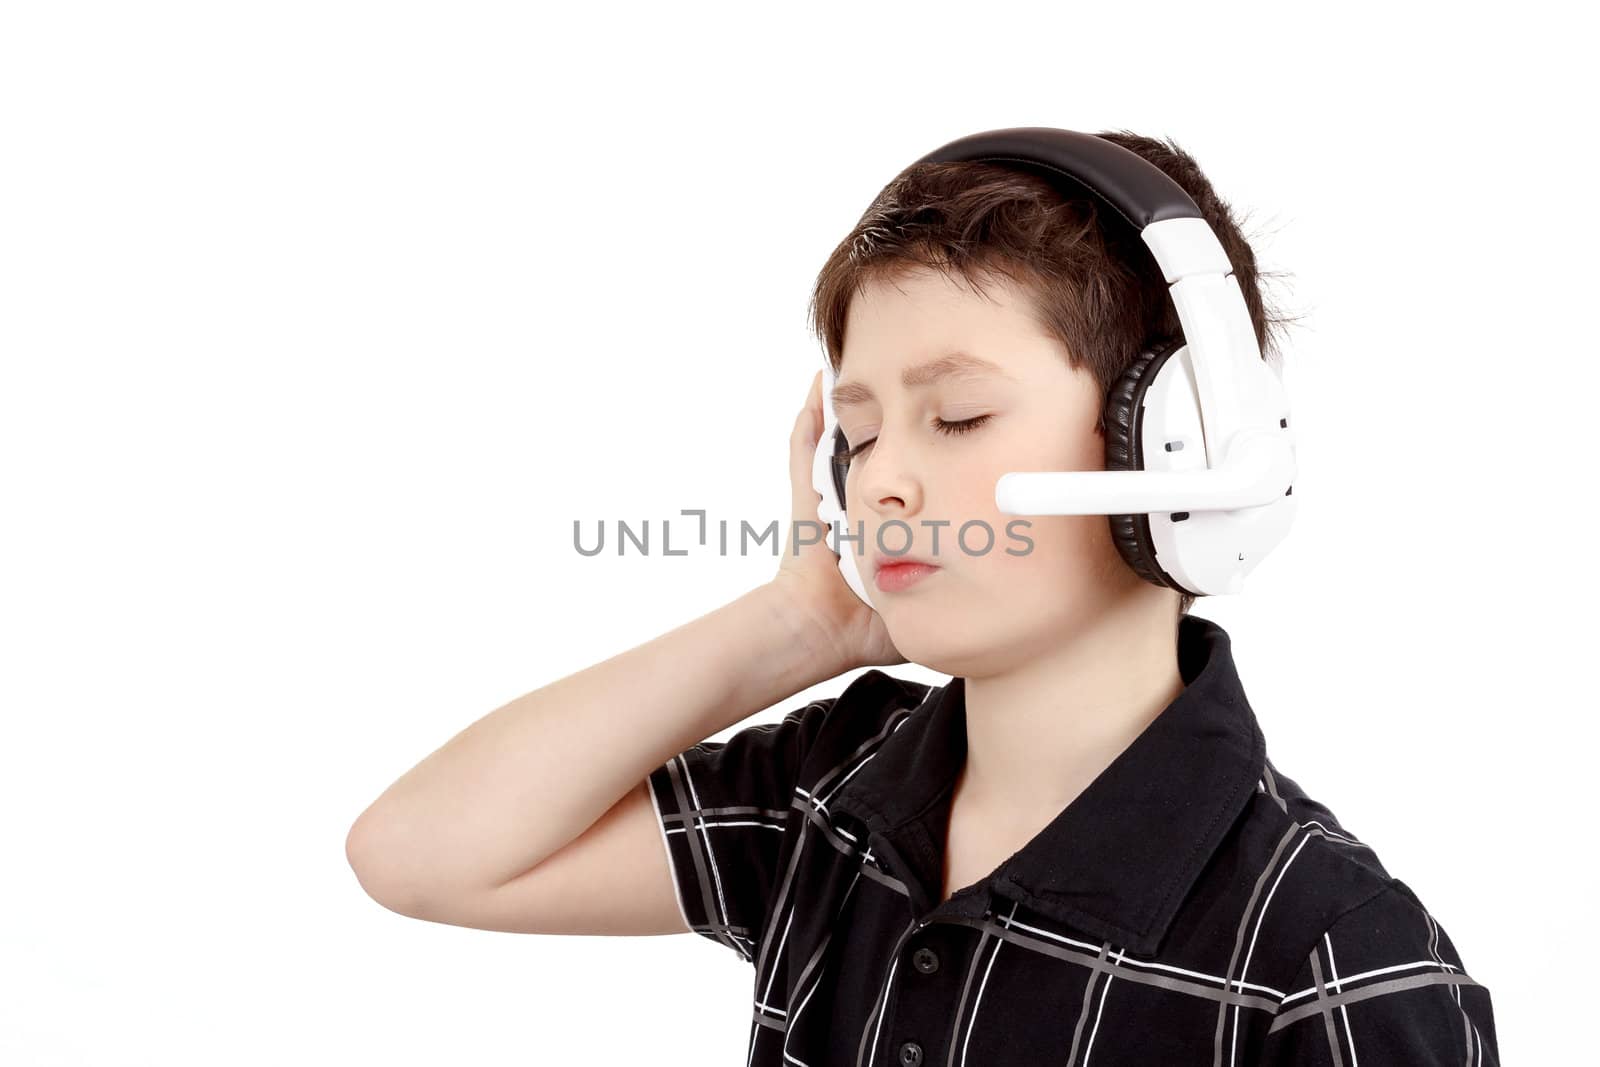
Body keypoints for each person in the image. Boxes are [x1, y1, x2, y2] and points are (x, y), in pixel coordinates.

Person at [345, 131, 1500, 1065]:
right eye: (856, 431)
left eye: (956, 417)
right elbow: (422, 853)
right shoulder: (833, 797)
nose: (881, 477)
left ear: (1176, 439)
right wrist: (795, 628)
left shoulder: (1332, 964)